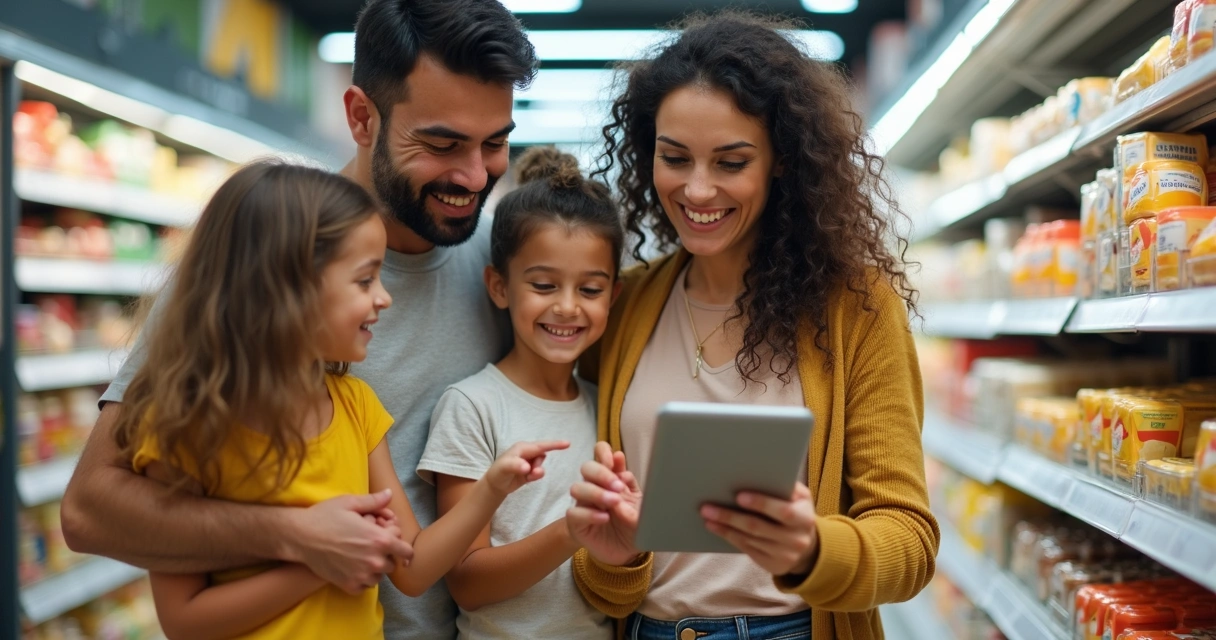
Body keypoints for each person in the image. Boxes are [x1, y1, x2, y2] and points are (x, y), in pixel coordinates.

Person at [59, 1, 537, 638]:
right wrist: (297, 538)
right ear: (362, 116)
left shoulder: (504, 275)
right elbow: (91, 511)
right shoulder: (258, 268)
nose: (475, 175)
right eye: (443, 143)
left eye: (496, 143)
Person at [564, 12, 940, 640]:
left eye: (731, 162)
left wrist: (811, 550)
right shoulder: (624, 307)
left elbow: (910, 540)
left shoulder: (857, 310)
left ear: (782, 163)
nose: (698, 189)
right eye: (675, 158)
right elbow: (607, 574)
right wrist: (615, 555)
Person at [113, 160, 567, 640]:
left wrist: (492, 488)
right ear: (287, 289)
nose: (385, 298)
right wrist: (317, 559)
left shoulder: (356, 406)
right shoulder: (188, 426)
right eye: (365, 279)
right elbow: (185, 620)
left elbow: (410, 569)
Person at [416, 147, 623, 639]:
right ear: (499, 286)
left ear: (614, 295)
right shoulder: (472, 407)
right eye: (544, 285)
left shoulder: (607, 406)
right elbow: (466, 582)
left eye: (590, 290)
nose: (568, 307)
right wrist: (571, 533)